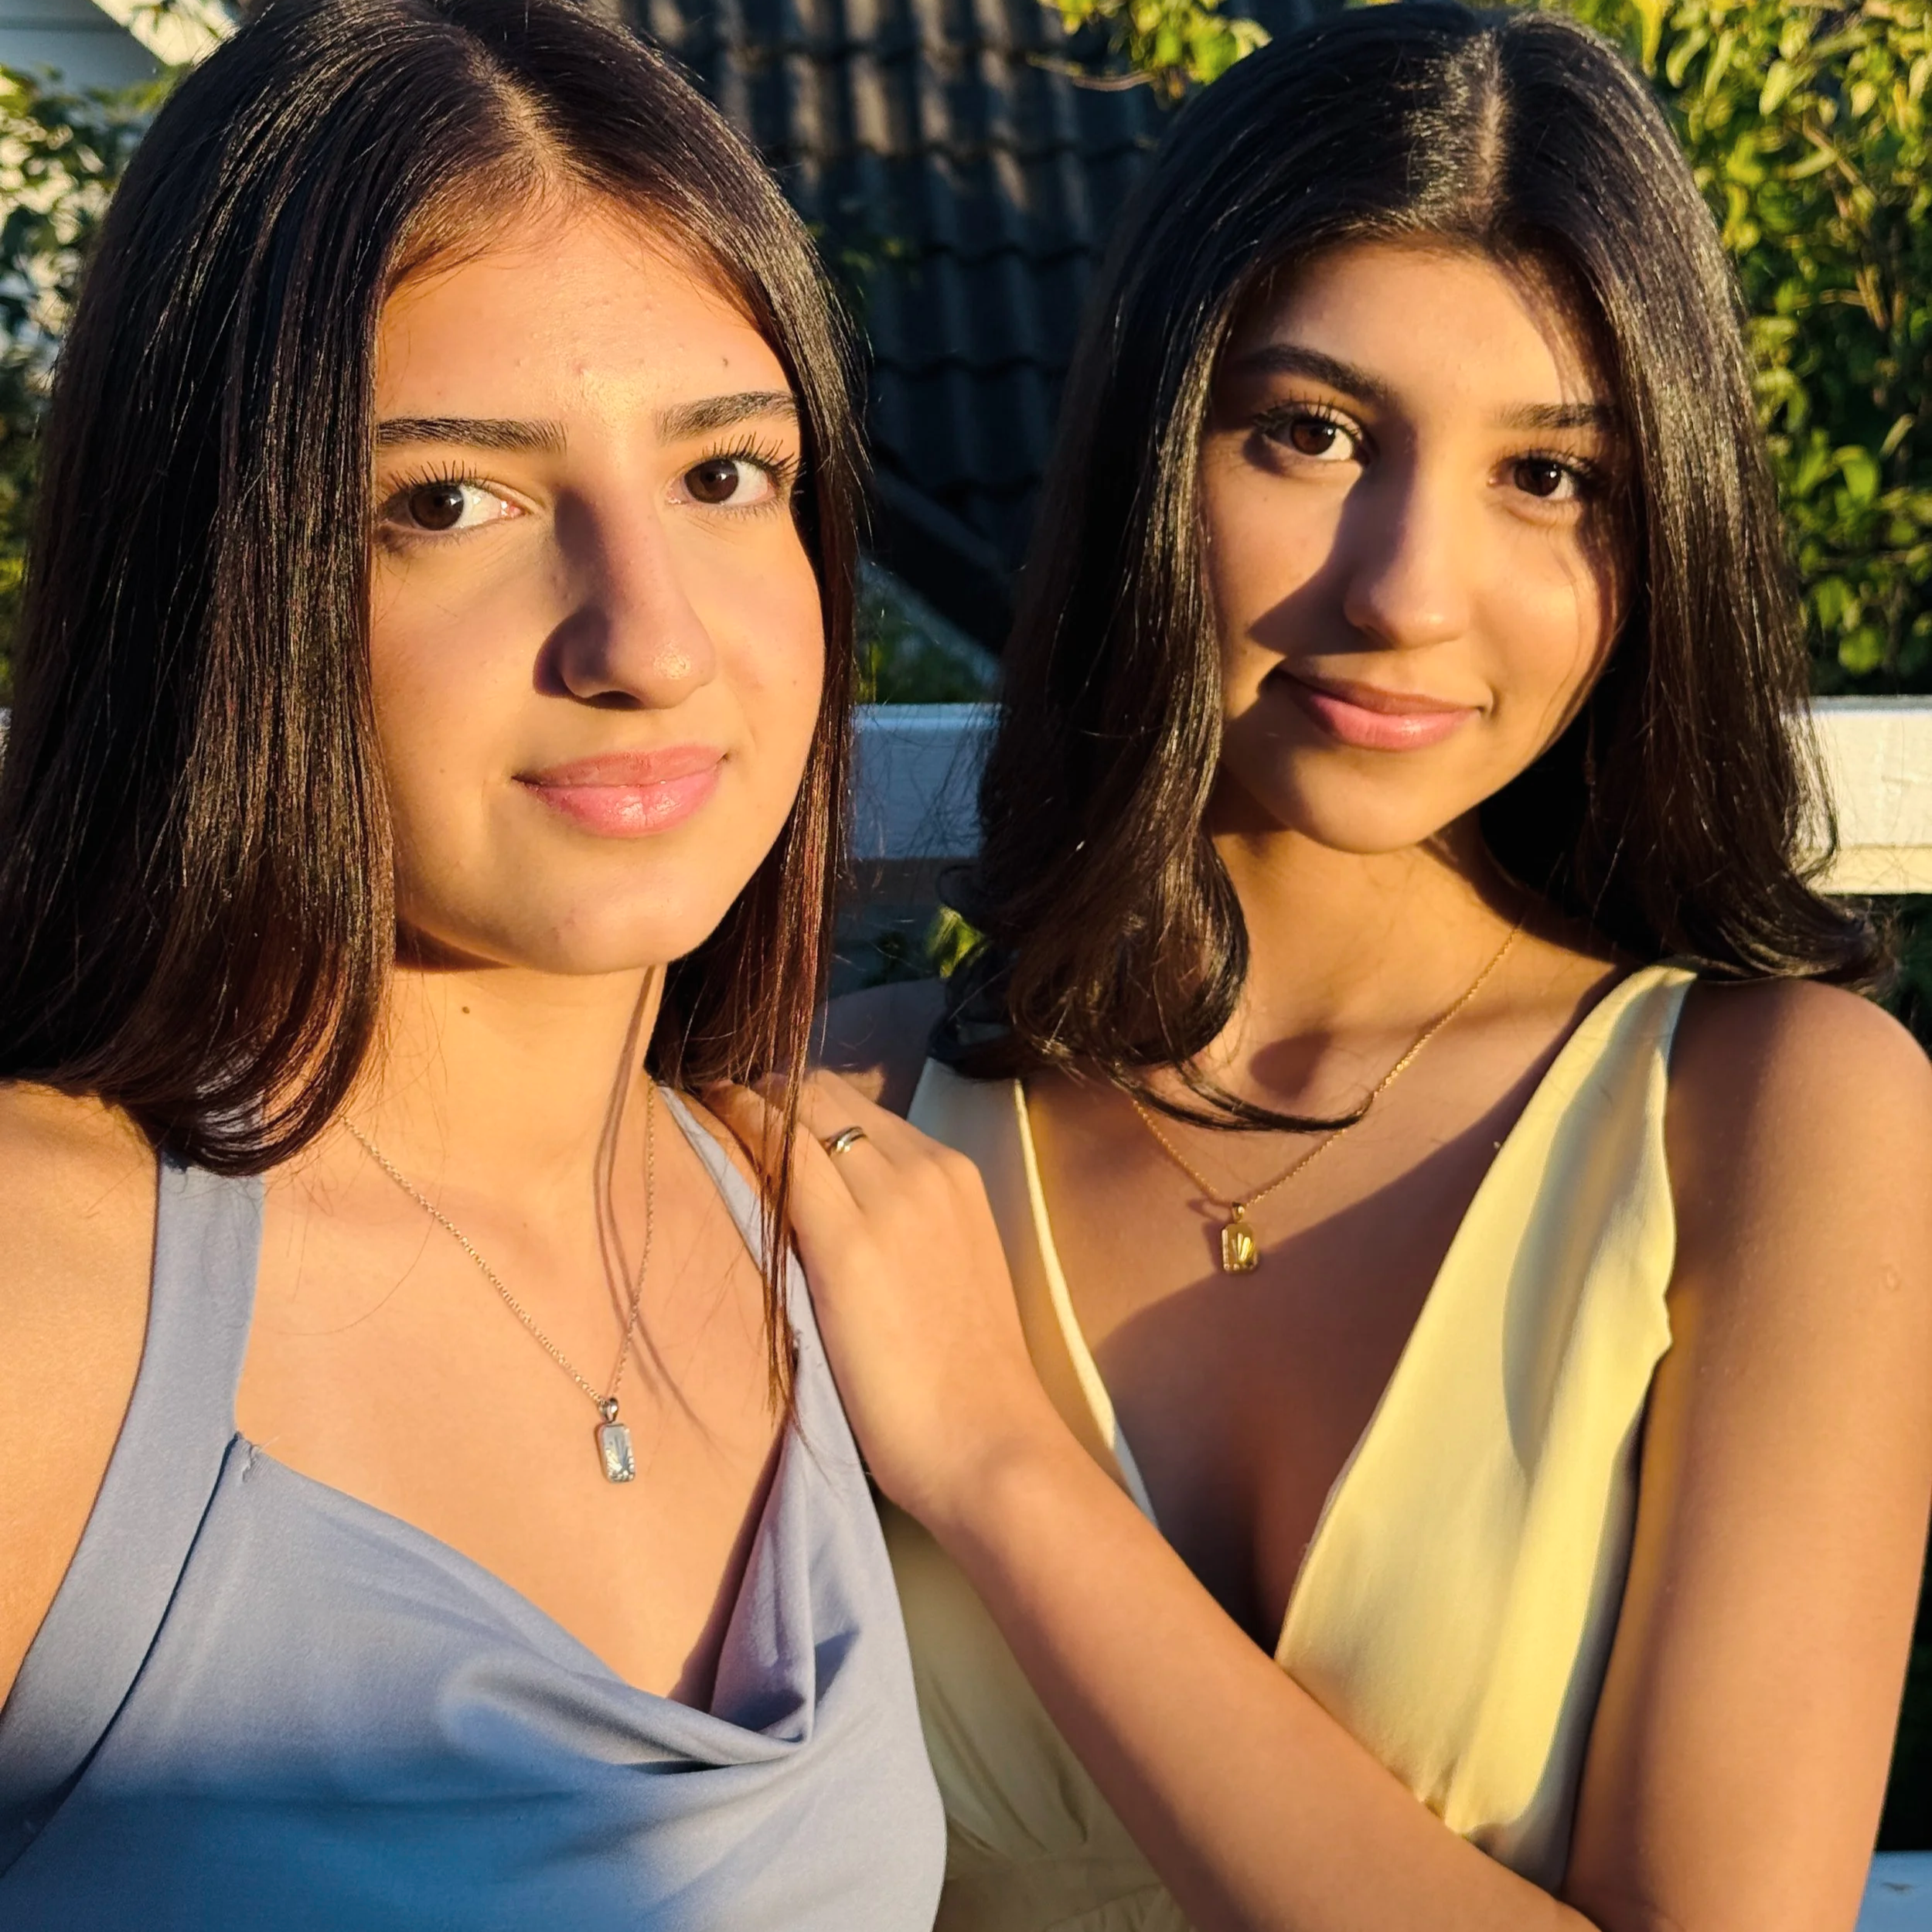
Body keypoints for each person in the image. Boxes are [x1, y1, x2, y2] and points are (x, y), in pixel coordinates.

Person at [772, 8, 1932, 1929]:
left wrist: (995, 1458)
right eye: (1310, 434)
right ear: (1160, 452)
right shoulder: (847, 1119)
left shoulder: (1771, 1114)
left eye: (1551, 476)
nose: (1405, 587)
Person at [0, 1, 943, 1923]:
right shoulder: (47, 1288)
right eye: (448, 501)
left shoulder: (836, 1234)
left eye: (724, 474)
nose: (647, 638)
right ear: (221, 572)